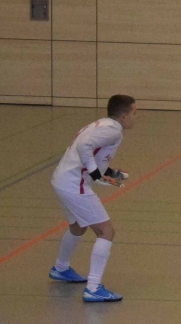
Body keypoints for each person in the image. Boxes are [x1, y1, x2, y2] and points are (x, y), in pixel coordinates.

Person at [49, 94, 137, 302]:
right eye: (135, 113)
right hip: (73, 184)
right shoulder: (113, 131)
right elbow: (83, 147)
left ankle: (61, 268)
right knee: (106, 231)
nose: (136, 117)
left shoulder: (101, 124)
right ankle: (93, 288)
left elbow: (93, 154)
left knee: (78, 226)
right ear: (124, 116)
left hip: (62, 180)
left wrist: (111, 173)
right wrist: (95, 173)